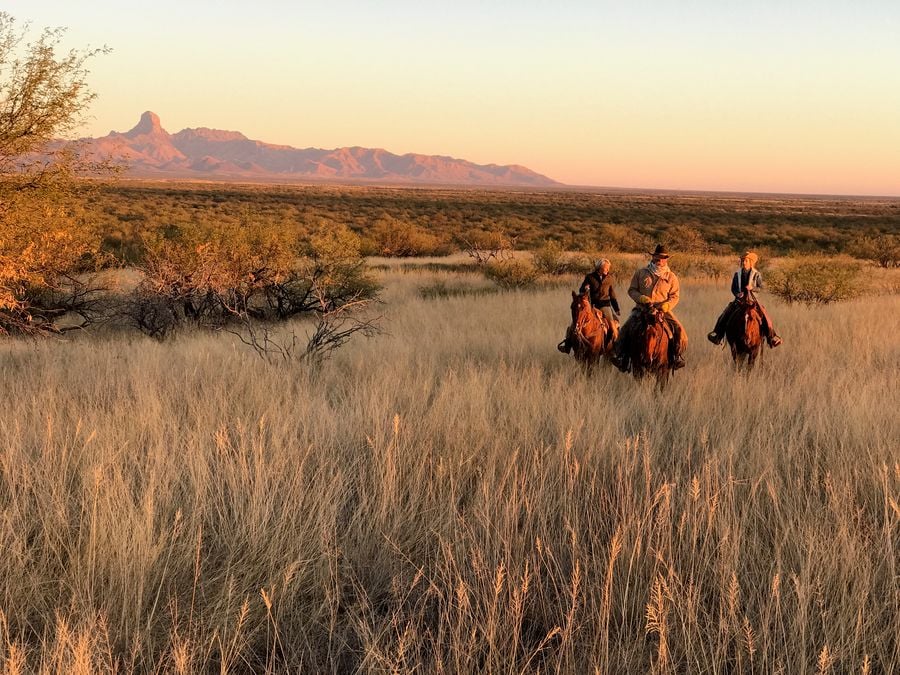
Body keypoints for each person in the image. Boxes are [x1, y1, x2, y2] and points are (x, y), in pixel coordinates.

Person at [611, 244, 688, 371]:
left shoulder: (671, 277)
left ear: (666, 259)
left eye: (663, 258)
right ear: (653, 257)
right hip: (642, 309)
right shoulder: (641, 273)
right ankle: (622, 358)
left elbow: (675, 296)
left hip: (663, 311)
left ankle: (676, 357)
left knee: (680, 332)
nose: (660, 260)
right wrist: (641, 298)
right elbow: (632, 290)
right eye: (658, 257)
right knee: (625, 330)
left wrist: (666, 305)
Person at [707, 251, 783, 347]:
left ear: (751, 262)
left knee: (764, 315)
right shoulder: (737, 274)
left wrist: (752, 288)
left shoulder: (757, 274)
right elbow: (733, 288)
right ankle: (718, 335)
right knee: (725, 313)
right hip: (739, 301)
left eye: (746, 260)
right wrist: (737, 294)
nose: (744, 262)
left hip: (753, 301)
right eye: (743, 260)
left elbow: (761, 288)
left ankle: (771, 337)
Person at [558, 258, 620, 354]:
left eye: (608, 268)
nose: (608, 270)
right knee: (574, 324)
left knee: (613, 325)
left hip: (605, 305)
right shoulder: (590, 277)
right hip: (591, 304)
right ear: (600, 267)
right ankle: (567, 345)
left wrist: (616, 308)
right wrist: (585, 289)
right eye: (606, 268)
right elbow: (581, 290)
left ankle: (615, 347)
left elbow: (612, 294)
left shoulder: (610, 278)